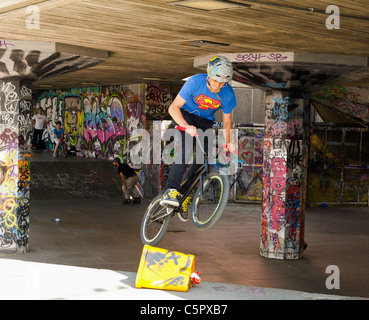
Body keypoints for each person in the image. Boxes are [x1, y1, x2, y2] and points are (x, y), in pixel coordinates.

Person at [160, 55, 237, 220]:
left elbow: (227, 122)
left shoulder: (228, 94)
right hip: (185, 116)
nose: (218, 86)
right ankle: (170, 189)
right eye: (216, 81)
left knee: (204, 157)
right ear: (209, 75)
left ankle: (185, 194)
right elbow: (173, 107)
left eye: (223, 83)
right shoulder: (195, 82)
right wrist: (185, 125)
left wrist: (228, 143)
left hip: (205, 122)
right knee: (186, 148)